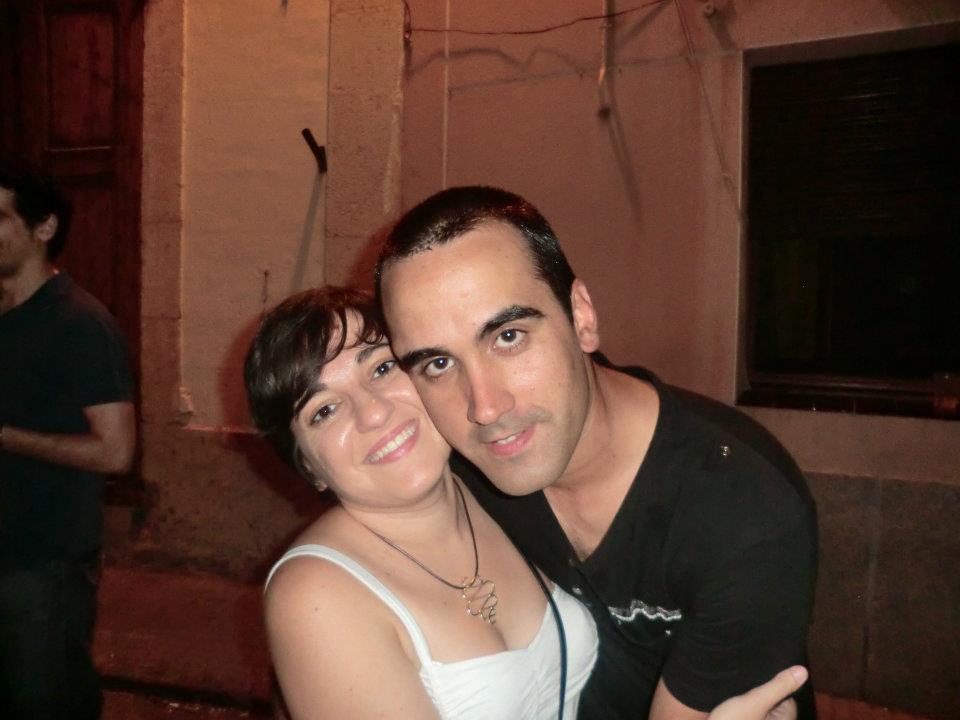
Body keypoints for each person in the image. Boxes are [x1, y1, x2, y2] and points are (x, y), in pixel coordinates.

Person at [244, 286, 808, 720]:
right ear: (308, 467)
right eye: (323, 411)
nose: (372, 412)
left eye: (382, 367)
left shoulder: (494, 482)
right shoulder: (316, 596)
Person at [375, 186, 819, 720]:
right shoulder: (462, 464)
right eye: (438, 364)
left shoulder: (742, 511)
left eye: (509, 336)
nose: (485, 408)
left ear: (581, 316)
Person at [0, 162, 135, 718]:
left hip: (44, 561)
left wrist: (5, 437)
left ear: (45, 227)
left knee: (47, 700)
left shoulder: (79, 323)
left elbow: (115, 451)